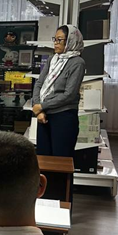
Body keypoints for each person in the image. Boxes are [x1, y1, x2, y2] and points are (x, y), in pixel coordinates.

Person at [31, 25, 86, 157]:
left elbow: (69, 95)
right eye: (54, 39)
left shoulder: (77, 63)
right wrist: (39, 109)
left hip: (63, 117)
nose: (55, 43)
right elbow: (39, 84)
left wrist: (42, 106)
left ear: (70, 41)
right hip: (43, 115)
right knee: (43, 158)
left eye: (59, 40)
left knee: (61, 160)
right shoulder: (52, 59)